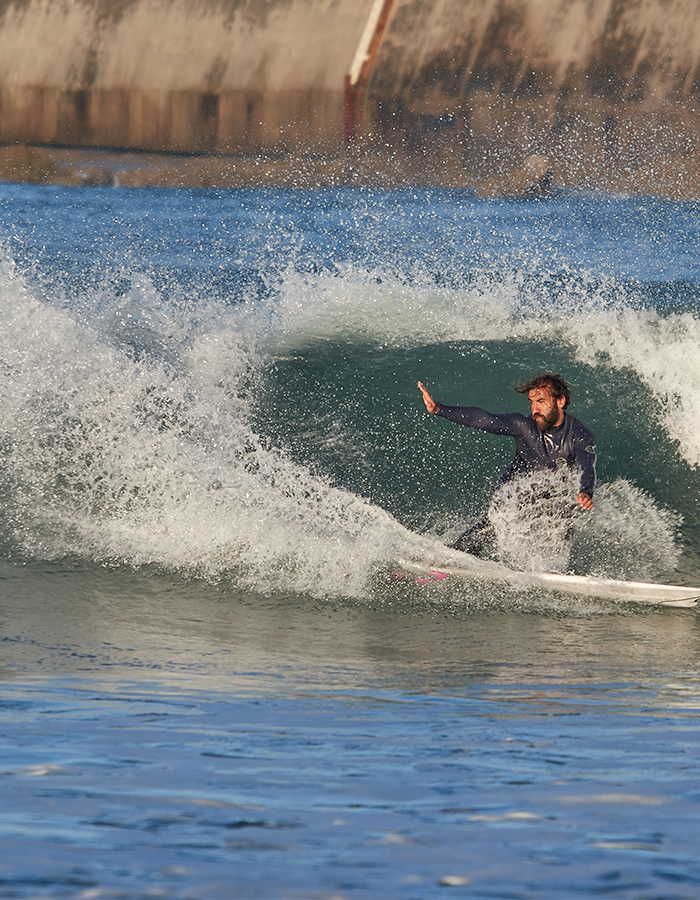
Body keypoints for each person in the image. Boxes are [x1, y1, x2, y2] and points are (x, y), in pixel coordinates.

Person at [418, 373, 596, 556]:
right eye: (532, 402)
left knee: (566, 517)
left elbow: (586, 466)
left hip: (549, 495)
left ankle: (551, 570)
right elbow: (486, 420)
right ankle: (447, 561)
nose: (535, 409)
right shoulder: (524, 426)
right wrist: (439, 408)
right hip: (516, 492)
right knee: (495, 525)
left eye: (541, 401)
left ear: (560, 401)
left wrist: (585, 491)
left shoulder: (579, 435)